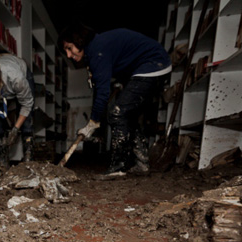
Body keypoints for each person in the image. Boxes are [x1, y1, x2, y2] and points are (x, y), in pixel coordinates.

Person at [58, 22, 171, 174]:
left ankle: (119, 166)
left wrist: (93, 122)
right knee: (126, 114)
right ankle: (142, 164)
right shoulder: (95, 50)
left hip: (153, 65)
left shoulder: (98, 50)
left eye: (69, 48)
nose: (69, 55)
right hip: (148, 67)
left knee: (117, 113)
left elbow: (102, 93)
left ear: (79, 41)